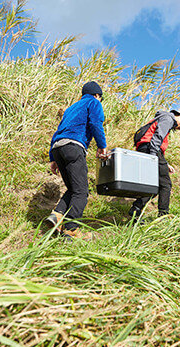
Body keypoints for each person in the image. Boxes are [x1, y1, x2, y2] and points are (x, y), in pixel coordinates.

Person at [45, 81, 108, 239]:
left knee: (74, 189)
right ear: (97, 95)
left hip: (58, 148)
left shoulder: (72, 108)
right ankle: (71, 229)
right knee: (82, 192)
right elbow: (96, 123)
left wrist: (53, 158)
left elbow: (59, 130)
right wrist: (102, 146)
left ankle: (56, 215)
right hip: (73, 147)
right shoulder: (93, 102)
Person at [129, 109, 180, 219]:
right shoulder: (168, 118)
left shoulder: (161, 118)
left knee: (154, 186)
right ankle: (163, 216)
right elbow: (157, 137)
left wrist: (165, 164)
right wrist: (153, 156)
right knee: (165, 184)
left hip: (145, 149)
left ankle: (136, 209)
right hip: (151, 150)